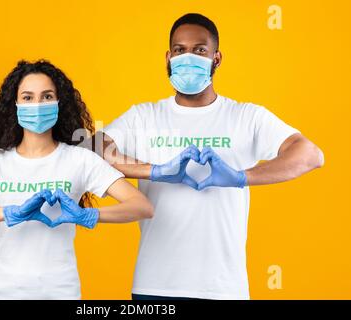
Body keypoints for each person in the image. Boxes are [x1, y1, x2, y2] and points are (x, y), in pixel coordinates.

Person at [96, 13, 324, 300]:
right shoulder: (144, 116)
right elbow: (92, 148)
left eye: (199, 50)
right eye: (179, 50)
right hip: (155, 286)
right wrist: (154, 171)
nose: (187, 57)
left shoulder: (246, 116)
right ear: (168, 57)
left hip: (223, 288)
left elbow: (310, 154)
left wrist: (241, 178)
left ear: (216, 58)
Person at [0, 59, 154, 300]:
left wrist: (90, 216)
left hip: (61, 290)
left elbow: (142, 206)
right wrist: (10, 212)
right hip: (2, 289)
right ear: (15, 104)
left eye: (47, 96)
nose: (37, 105)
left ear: (59, 103)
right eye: (28, 97)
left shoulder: (79, 159)